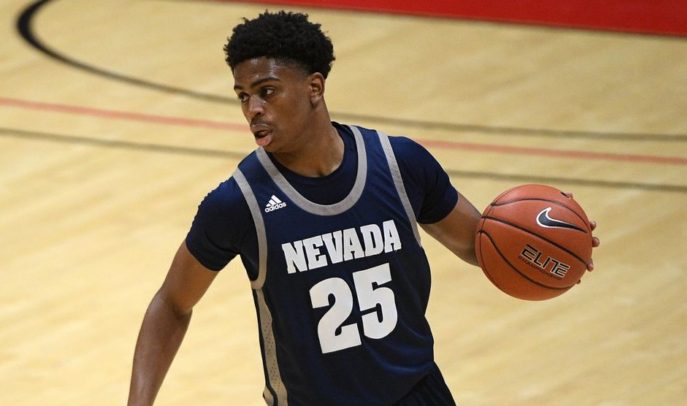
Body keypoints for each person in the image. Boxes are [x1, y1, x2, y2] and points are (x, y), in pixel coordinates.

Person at [128, 11, 598, 406]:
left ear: (314, 87)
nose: (252, 108)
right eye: (242, 96)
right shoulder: (239, 202)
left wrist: (557, 243)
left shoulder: (399, 164)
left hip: (418, 392)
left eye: (267, 90)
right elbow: (172, 302)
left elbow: (482, 244)